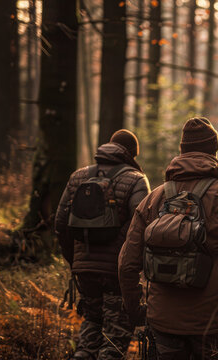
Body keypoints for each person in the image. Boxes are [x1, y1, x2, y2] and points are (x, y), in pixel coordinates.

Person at [118, 117, 218, 359]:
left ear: (182, 150)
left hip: (162, 319)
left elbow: (126, 264)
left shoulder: (154, 198)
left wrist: (136, 311)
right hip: (214, 318)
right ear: (214, 151)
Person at [54, 129, 150, 360]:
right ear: (132, 154)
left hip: (83, 269)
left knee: (92, 321)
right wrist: (131, 262)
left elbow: (60, 224)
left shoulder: (78, 177)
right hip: (117, 272)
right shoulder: (136, 180)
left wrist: (74, 260)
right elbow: (143, 227)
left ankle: (83, 355)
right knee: (115, 335)